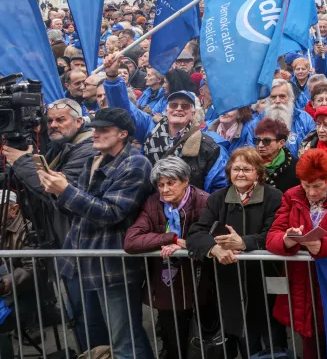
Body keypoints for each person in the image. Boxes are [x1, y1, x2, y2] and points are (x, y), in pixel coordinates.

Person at [39, 108, 154, 359]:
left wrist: (66, 191)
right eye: (95, 128)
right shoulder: (93, 158)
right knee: (95, 336)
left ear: (123, 134)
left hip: (112, 263)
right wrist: (57, 190)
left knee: (124, 339)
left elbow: (111, 212)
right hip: (81, 259)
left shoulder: (136, 163)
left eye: (104, 129)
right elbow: (76, 209)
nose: (96, 133)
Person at [187, 148, 284, 359]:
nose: (240, 174)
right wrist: (214, 248)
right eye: (236, 169)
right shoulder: (217, 199)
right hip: (230, 284)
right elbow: (195, 234)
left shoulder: (274, 197)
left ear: (258, 172)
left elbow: (275, 232)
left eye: (246, 169)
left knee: (273, 340)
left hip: (266, 281)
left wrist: (244, 242)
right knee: (244, 341)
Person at [267, 150, 327, 359]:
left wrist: (322, 246)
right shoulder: (292, 196)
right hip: (301, 282)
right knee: (309, 343)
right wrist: (286, 240)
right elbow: (272, 236)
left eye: (317, 186)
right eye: (306, 186)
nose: (311, 193)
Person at [123, 157, 209, 359]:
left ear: (186, 180)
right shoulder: (153, 203)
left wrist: (185, 244)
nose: (165, 189)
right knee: (173, 340)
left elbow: (210, 238)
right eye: (160, 185)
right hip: (167, 284)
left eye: (171, 183)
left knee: (206, 337)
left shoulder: (205, 201)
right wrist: (171, 237)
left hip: (202, 280)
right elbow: (131, 241)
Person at [103, 54, 228, 191]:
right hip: (152, 204)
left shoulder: (208, 143)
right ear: (166, 109)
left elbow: (219, 185)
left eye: (185, 106)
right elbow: (124, 111)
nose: (178, 109)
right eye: (174, 105)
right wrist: (112, 78)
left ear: (194, 113)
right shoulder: (150, 127)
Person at [4, 98, 94, 248]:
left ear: (78, 121)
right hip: (58, 233)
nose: (53, 125)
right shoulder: (60, 145)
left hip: (77, 238)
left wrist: (21, 161)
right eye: (50, 120)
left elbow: (50, 188)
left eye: (60, 120)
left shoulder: (88, 148)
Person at [254, 117, 300, 194]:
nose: (260, 145)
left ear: (281, 143)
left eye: (266, 141)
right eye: (258, 140)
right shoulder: (250, 164)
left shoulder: (296, 167)